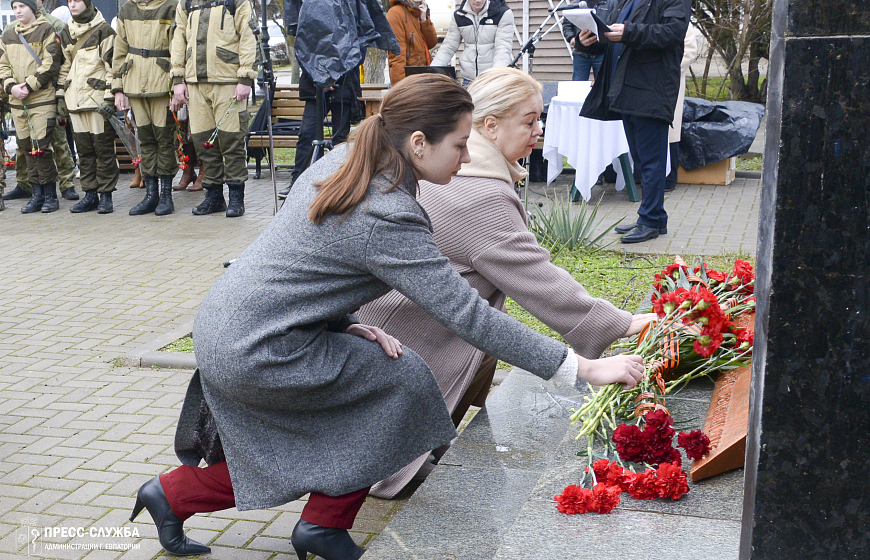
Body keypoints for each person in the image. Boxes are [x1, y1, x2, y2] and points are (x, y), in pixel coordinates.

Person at [128, 75, 645, 560]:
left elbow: (309, 262)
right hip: (263, 345)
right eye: (460, 144)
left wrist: (344, 318)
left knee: (331, 427)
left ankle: (172, 496)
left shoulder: (350, 157)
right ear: (419, 143)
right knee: (401, 387)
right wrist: (582, 367)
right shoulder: (385, 210)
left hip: (234, 326)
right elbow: (466, 314)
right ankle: (321, 524)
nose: (466, 158)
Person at [357, 67, 656, 497]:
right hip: (405, 334)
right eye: (529, 120)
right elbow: (537, 278)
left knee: (482, 337)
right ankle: (401, 459)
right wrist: (621, 324)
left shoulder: (460, 169)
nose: (539, 130)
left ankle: (435, 444)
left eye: (540, 118)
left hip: (393, 319)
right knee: (482, 335)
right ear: (490, 126)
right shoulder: (479, 192)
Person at [578, 0, 690, 243]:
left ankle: (649, 220)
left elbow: (673, 33)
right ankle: (654, 217)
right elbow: (612, 36)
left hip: (652, 87)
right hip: (627, 87)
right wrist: (589, 41)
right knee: (640, 159)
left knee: (651, 161)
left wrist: (628, 32)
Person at [169, 0, 257, 218]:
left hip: (227, 80)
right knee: (203, 143)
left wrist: (245, 77)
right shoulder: (186, 3)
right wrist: (178, 78)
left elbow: (248, 35)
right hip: (195, 83)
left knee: (232, 141)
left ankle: (236, 197)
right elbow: (178, 39)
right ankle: (214, 196)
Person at [1, 0, 80, 207]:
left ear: (33, 8)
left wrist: (28, 85)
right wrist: (11, 87)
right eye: (15, 7)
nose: (18, 11)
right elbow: (2, 65)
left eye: (22, 7)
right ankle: (36, 195)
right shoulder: (8, 34)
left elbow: (52, 62)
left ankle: (50, 195)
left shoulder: (47, 29)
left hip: (41, 98)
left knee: (42, 148)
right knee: (27, 148)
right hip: (17, 100)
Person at [112, 0, 177, 216]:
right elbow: (119, 49)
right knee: (145, 140)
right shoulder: (127, 9)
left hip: (161, 81)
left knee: (164, 139)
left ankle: (166, 195)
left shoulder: (171, 6)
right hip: (134, 82)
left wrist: (177, 82)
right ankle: (151, 194)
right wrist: (118, 88)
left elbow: (178, 47)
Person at [58, 0, 119, 214]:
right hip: (74, 100)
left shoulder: (104, 30)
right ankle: (90, 194)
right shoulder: (67, 31)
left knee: (103, 151)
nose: (72, 4)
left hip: (97, 101)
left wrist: (109, 97)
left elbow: (112, 66)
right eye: (70, 1)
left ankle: (106, 196)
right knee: (84, 152)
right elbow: (64, 67)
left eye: (77, 0)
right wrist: (60, 97)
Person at [280, 66, 360, 197]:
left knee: (340, 140)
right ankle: (297, 183)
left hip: (344, 85)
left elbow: (357, 53)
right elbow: (304, 55)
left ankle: (341, 185)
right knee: (307, 134)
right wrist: (320, 79)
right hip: (315, 87)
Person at [430, 0, 514, 86]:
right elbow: (448, 47)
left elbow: (503, 48)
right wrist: (432, 72)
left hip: (492, 78)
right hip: (468, 79)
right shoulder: (459, 16)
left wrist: (497, 75)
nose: (478, 0)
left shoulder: (503, 13)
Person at [662, 23, 698, 192]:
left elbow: (689, 50)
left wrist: (669, 70)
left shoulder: (681, 18)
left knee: (670, 131)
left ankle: (669, 178)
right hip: (645, 83)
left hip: (670, 82)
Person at [560, 0, 618, 81]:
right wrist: (571, 39)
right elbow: (567, 25)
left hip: (602, 52)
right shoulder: (577, 4)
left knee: (601, 85)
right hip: (580, 53)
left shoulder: (611, 3)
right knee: (578, 85)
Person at [386, 0, 437, 85]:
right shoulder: (395, 13)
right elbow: (396, 57)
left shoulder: (420, 11)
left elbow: (432, 43)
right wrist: (401, 88)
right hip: (409, 81)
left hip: (424, 76)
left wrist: (424, 20)